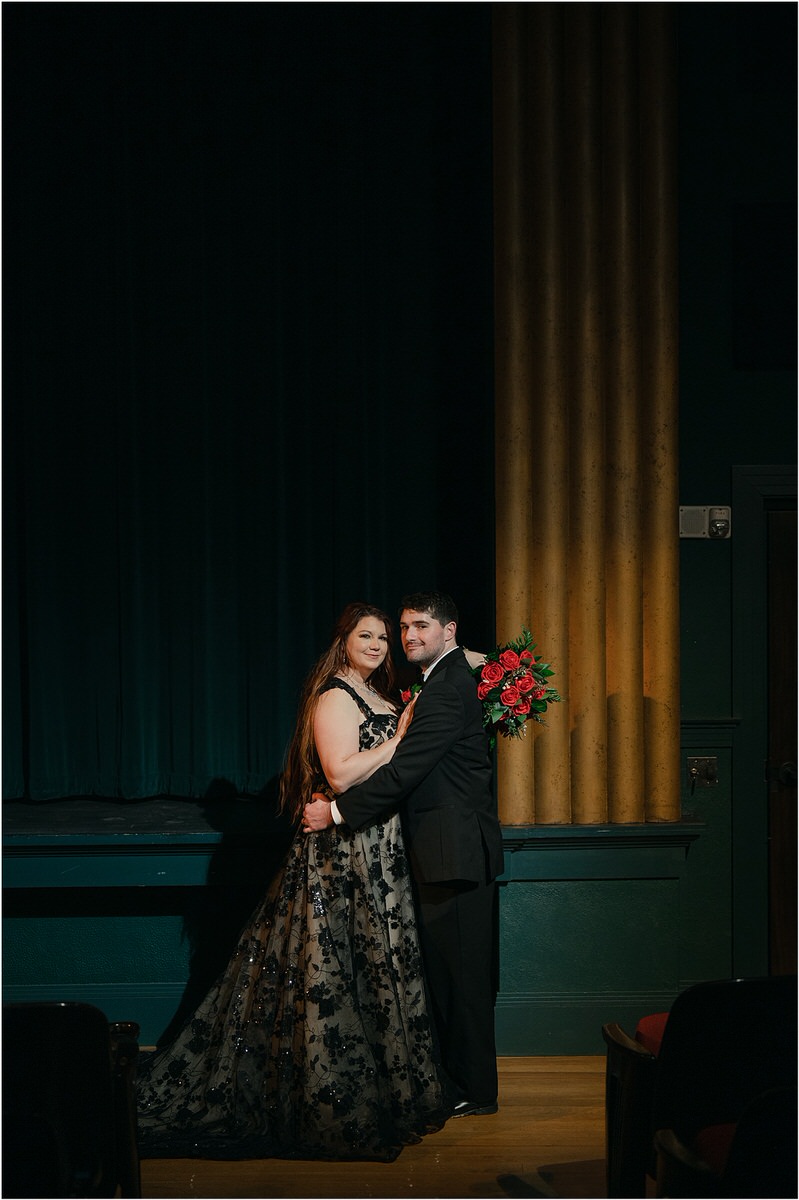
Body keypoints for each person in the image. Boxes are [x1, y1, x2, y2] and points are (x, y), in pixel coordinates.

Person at [135, 601, 451, 1161]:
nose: (379, 644)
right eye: (367, 635)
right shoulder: (335, 695)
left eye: (384, 636)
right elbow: (340, 772)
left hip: (380, 851)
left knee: (375, 965)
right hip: (342, 855)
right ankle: (329, 1099)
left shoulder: (380, 693)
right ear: (343, 641)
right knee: (333, 971)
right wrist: (399, 741)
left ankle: (384, 1086)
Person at [303, 591, 504, 1118]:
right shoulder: (447, 677)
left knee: (462, 978)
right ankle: (462, 1080)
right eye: (405, 627)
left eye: (420, 627)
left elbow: (405, 771)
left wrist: (338, 814)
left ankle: (474, 1089)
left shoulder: (444, 688)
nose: (409, 636)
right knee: (453, 974)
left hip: (452, 853)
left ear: (448, 631)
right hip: (444, 852)